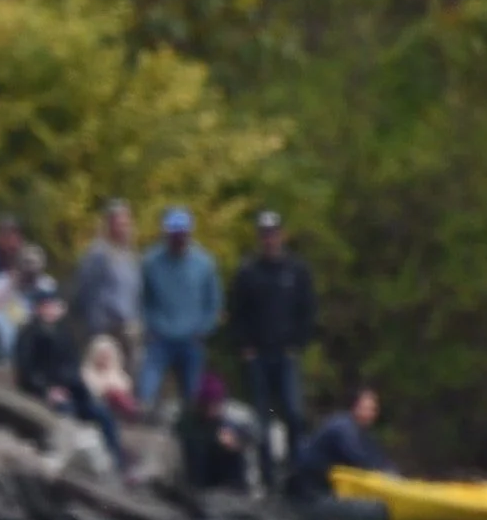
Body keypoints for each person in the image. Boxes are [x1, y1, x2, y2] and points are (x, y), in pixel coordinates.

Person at [227, 210, 316, 477]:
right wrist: (245, 346)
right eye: (265, 234)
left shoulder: (297, 270)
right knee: (262, 417)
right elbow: (236, 312)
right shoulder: (248, 272)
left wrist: (298, 343)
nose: (269, 239)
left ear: (282, 235)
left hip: (286, 353)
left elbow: (308, 309)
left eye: (273, 234)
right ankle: (267, 475)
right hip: (258, 355)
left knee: (293, 413)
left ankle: (296, 471)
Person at [14, 280, 126, 470]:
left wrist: (80, 389)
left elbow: (73, 366)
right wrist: (47, 389)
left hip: (70, 388)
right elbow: (26, 370)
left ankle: (116, 460)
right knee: (68, 413)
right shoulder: (29, 334)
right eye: (45, 305)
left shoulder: (63, 332)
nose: (50, 309)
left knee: (102, 415)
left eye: (52, 304)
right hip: (45, 389)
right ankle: (72, 462)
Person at [136, 206, 221, 410]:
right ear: (166, 233)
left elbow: (214, 302)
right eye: (173, 234)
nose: (178, 238)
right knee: (146, 389)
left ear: (189, 233)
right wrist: (149, 326)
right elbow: (141, 299)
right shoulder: (151, 262)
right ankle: (140, 420)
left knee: (191, 395)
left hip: (191, 338)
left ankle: (188, 431)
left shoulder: (204, 263)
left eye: (182, 233)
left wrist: (204, 329)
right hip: (160, 336)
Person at [291, 387, 393, 498]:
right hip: (309, 488)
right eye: (366, 408)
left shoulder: (362, 433)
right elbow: (358, 458)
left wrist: (392, 473)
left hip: (324, 485)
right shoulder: (342, 427)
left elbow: (377, 457)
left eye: (373, 410)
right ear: (355, 407)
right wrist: (386, 476)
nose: (370, 414)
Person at [71, 199, 141, 347]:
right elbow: (86, 291)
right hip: (105, 329)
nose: (124, 228)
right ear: (109, 225)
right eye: (120, 224)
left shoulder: (129, 255)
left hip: (128, 328)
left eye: (126, 224)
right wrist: (97, 325)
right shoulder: (98, 254)